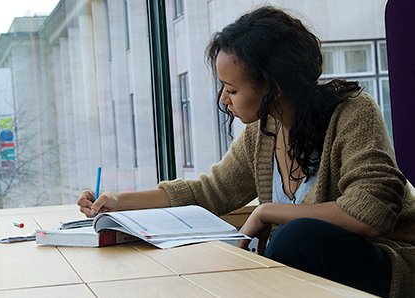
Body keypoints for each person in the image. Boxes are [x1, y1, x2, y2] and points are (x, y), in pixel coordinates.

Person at [78, 6, 415, 298]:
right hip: (311, 276)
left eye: (232, 89)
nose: (224, 99)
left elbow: (368, 215)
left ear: (274, 84)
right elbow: (208, 192)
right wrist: (118, 202)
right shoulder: (262, 132)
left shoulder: (352, 112)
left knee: (297, 239)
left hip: (389, 265)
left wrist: (269, 211)